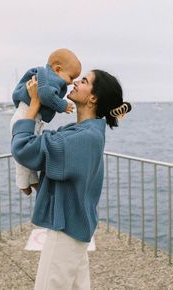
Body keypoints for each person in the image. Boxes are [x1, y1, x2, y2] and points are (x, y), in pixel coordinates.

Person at [11, 69, 131, 290]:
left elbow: (24, 149)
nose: (75, 82)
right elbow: (47, 145)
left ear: (93, 97)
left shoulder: (82, 138)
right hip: (76, 228)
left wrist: (33, 106)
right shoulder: (85, 132)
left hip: (66, 231)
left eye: (84, 81)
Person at [10, 48, 81, 195]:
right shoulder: (50, 79)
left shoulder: (46, 77)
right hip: (26, 116)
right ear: (57, 69)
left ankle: (34, 181)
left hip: (30, 116)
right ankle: (23, 183)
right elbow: (46, 95)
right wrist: (62, 105)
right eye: (71, 77)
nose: (71, 82)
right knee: (23, 154)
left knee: (30, 151)